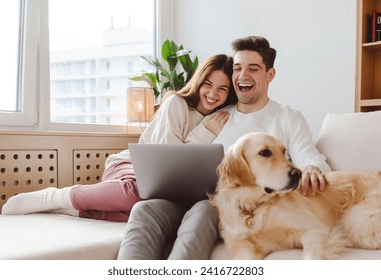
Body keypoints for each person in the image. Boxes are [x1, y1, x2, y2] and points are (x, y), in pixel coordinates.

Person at [117, 35, 331, 259]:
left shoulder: (287, 117)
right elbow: (183, 156)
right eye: (237, 68)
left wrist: (313, 168)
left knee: (202, 211)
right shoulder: (217, 116)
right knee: (144, 210)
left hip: (227, 206)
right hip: (188, 197)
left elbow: (312, 160)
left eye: (253, 68)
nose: (243, 76)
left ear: (270, 75)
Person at [1, 54, 237, 222]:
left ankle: (72, 210)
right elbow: (170, 165)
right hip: (130, 168)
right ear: (198, 81)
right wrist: (203, 134)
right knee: (136, 193)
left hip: (160, 186)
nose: (213, 93)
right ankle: (56, 196)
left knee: (146, 210)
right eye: (208, 84)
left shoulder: (224, 118)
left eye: (222, 89)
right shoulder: (177, 104)